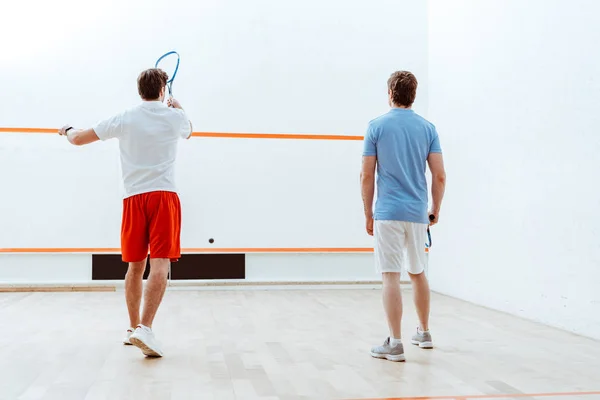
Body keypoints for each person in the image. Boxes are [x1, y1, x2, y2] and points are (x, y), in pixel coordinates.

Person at [58, 68, 193, 357]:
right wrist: (178, 105)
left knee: (135, 265)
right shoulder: (175, 117)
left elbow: (79, 139)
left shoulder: (125, 117)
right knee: (160, 266)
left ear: (139, 91)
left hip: (133, 200)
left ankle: (133, 329)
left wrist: (68, 130)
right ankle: (144, 328)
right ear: (162, 90)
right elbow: (189, 130)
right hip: (164, 197)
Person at [361, 70, 446, 362]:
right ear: (413, 95)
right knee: (418, 272)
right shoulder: (428, 128)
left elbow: (366, 176)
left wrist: (368, 215)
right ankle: (423, 332)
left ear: (389, 94)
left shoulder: (376, 127)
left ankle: (395, 342)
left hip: (388, 213)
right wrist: (434, 209)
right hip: (417, 213)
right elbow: (440, 176)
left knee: (390, 276)